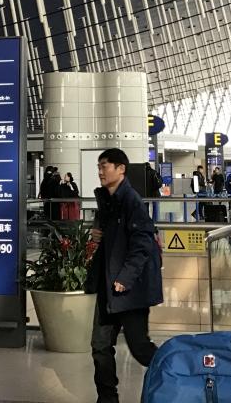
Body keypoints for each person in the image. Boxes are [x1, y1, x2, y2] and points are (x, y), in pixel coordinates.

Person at [86, 148, 161, 403]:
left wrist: (125, 278)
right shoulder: (107, 201)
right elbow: (114, 241)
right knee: (100, 346)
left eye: (105, 166)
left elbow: (143, 243)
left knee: (140, 348)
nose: (100, 171)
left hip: (128, 289)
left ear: (121, 169)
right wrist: (98, 237)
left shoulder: (131, 201)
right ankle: (107, 398)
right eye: (99, 166)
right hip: (108, 286)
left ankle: (178, 378)